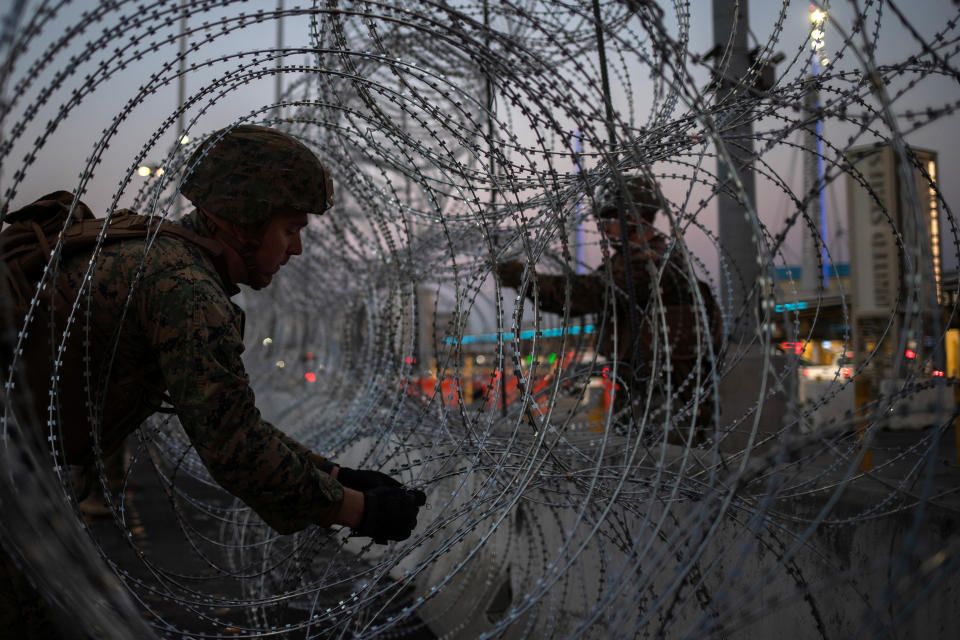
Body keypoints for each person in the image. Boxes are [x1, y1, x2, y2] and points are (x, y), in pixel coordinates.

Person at [1, 124, 424, 634]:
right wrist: (359, 511)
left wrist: (337, 477)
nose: (297, 250)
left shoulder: (159, 253)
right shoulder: (186, 290)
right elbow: (234, 447)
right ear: (243, 222)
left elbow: (231, 420)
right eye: (290, 229)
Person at [495, 175, 721, 443]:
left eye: (610, 220)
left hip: (668, 395)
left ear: (634, 217)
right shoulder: (632, 261)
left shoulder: (653, 263)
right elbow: (585, 296)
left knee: (661, 470)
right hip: (641, 389)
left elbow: (594, 294)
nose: (604, 229)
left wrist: (529, 280)